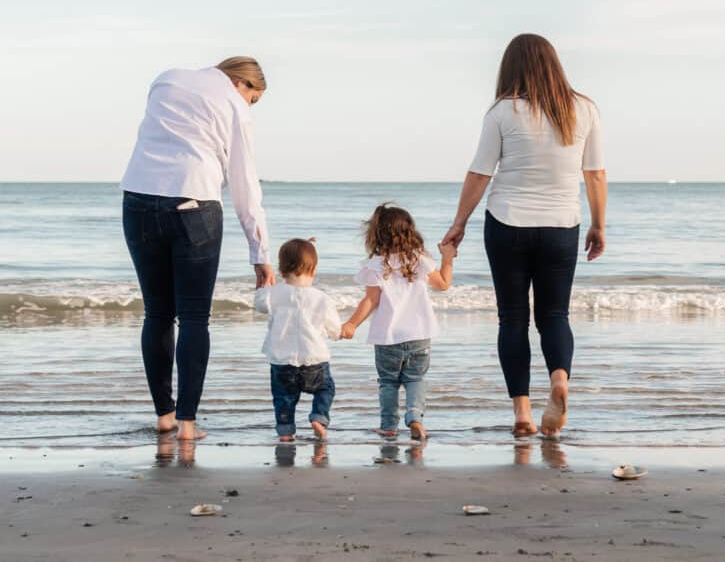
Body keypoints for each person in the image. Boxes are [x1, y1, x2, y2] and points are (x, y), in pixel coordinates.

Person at [441, 33, 607, 440]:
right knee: (554, 315)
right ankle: (560, 380)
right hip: (561, 225)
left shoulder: (502, 112)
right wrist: (599, 224)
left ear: (510, 67)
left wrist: (459, 222)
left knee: (512, 318)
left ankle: (522, 412)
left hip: (507, 223)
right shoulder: (583, 110)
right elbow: (595, 173)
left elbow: (480, 173)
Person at [120, 57, 276, 442]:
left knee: (157, 313)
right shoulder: (236, 107)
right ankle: (188, 425)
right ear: (243, 84)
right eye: (253, 98)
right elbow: (244, 184)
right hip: (195, 203)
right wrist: (260, 252)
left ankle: (164, 416)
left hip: (138, 199)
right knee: (194, 318)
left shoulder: (165, 79)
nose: (250, 105)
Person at [342, 204, 456, 441]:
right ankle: (414, 417)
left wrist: (352, 324)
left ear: (376, 235)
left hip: (387, 338)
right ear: (410, 232)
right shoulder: (420, 261)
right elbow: (444, 283)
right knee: (416, 379)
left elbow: (370, 300)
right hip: (419, 336)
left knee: (388, 383)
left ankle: (388, 426)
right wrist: (447, 258)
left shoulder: (375, 266)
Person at [254, 238, 347, 442]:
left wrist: (262, 285)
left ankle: (286, 432)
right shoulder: (321, 298)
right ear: (313, 269)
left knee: (283, 399)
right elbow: (334, 328)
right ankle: (318, 417)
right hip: (314, 360)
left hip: (282, 361)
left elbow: (259, 305)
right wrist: (339, 333)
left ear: (281, 269)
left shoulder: (273, 294)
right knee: (325, 388)